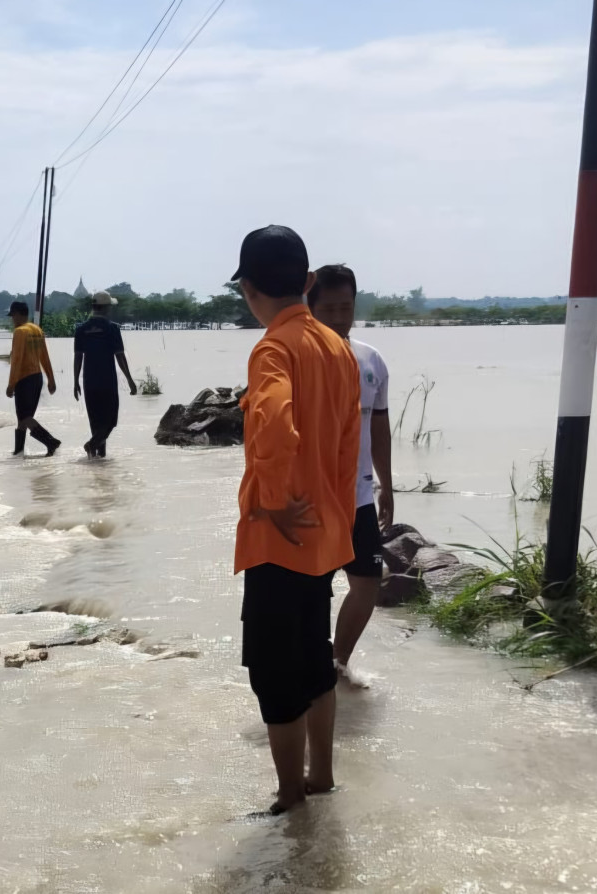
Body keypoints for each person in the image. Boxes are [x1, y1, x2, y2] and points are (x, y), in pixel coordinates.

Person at [232, 226, 360, 814]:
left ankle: (289, 795)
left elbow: (277, 425)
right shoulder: (337, 347)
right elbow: (346, 444)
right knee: (314, 657)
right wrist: (326, 511)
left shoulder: (272, 349)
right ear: (308, 283)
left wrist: (279, 501)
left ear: (248, 289)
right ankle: (323, 776)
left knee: (274, 673)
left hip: (279, 536)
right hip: (325, 533)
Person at [307, 264, 393, 680]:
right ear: (311, 306)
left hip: (359, 498)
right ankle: (308, 668)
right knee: (311, 593)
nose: (340, 318)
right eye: (330, 309)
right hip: (316, 499)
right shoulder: (298, 358)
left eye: (347, 308)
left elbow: (379, 426)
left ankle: (336, 664)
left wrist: (387, 486)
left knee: (367, 584)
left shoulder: (371, 360)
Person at [73, 290, 138, 458]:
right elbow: (120, 356)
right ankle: (92, 446)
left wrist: (75, 381)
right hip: (107, 382)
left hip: (89, 382)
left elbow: (78, 357)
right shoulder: (112, 329)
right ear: (106, 308)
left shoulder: (81, 329)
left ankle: (98, 461)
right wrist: (130, 380)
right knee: (110, 421)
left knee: (95, 423)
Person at [5, 301, 61, 456]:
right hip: (37, 378)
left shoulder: (20, 332)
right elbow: (45, 356)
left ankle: (51, 441)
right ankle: (18, 451)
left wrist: (11, 384)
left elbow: (16, 360)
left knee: (25, 416)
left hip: (24, 379)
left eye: (13, 315)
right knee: (22, 418)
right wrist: (51, 378)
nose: (12, 319)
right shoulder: (37, 329)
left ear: (18, 314)